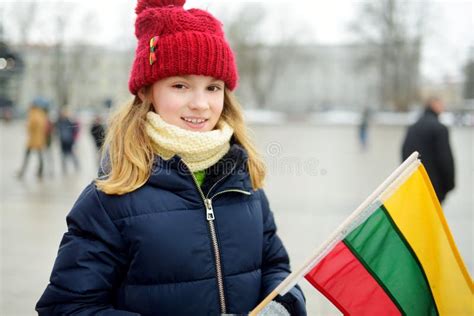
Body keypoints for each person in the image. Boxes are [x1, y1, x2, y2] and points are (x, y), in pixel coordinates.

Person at [36, 1, 306, 315]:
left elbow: (275, 266)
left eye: (213, 87)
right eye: (180, 85)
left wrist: (283, 305)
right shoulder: (109, 200)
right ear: (147, 92)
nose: (201, 104)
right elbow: (67, 308)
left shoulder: (246, 184)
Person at [401, 97, 455, 203]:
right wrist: (449, 185)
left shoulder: (413, 127)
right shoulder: (440, 128)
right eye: (441, 104)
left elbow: (404, 153)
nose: (443, 107)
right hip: (434, 187)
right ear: (433, 105)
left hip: (416, 184)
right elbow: (445, 159)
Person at [17, 97, 48, 179]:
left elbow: (32, 126)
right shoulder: (41, 113)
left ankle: (22, 172)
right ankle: (40, 172)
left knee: (27, 156)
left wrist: (28, 126)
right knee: (39, 156)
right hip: (40, 139)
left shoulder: (33, 113)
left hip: (33, 139)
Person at [56, 108, 80, 173]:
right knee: (63, 155)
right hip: (63, 141)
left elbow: (75, 130)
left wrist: (73, 139)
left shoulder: (69, 121)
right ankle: (64, 169)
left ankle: (77, 166)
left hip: (69, 141)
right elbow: (57, 132)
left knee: (72, 154)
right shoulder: (59, 122)